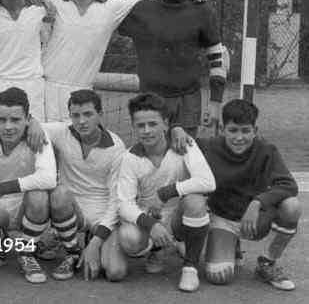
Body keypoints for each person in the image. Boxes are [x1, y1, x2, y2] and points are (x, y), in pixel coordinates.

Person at [42, 0, 208, 126]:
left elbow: (152, 1)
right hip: (44, 91)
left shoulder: (111, 8)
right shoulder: (53, 4)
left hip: (82, 96)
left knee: (78, 151)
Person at [118, 0, 228, 137]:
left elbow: (217, 57)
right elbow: (101, 10)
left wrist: (215, 102)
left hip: (188, 101)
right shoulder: (139, 10)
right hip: (149, 101)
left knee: (184, 158)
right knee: (152, 161)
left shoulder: (202, 10)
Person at [114, 92, 216, 292]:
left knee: (195, 201)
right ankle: (158, 249)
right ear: (133, 126)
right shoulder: (130, 157)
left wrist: (166, 192)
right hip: (152, 217)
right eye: (140, 125)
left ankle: (190, 267)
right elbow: (124, 203)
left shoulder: (184, 144)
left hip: (180, 217)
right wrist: (150, 224)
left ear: (166, 124)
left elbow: (208, 182)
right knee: (128, 238)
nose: (147, 130)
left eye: (153, 124)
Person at [198, 99, 301, 291]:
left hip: (255, 220)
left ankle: (267, 263)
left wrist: (257, 202)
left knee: (292, 206)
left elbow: (289, 185)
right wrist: (177, 129)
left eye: (246, 131)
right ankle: (231, 244)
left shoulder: (267, 150)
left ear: (255, 130)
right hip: (223, 218)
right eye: (233, 130)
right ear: (222, 129)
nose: (239, 137)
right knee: (218, 275)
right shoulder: (208, 147)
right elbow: (174, 143)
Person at [0, 87, 56, 283]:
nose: (8, 126)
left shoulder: (38, 136)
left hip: (28, 208)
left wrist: (1, 188)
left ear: (28, 118)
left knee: (38, 195)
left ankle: (26, 253)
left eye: (15, 120)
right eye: (1, 120)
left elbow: (48, 178)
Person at [43, 89, 126, 281]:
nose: (81, 121)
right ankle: (71, 250)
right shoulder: (62, 132)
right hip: (69, 208)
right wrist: (33, 126)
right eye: (76, 115)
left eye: (88, 114)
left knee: (115, 272)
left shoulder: (116, 147)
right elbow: (29, 124)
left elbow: (116, 200)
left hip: (101, 213)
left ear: (100, 115)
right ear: (70, 116)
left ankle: (90, 239)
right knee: (59, 192)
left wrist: (96, 244)